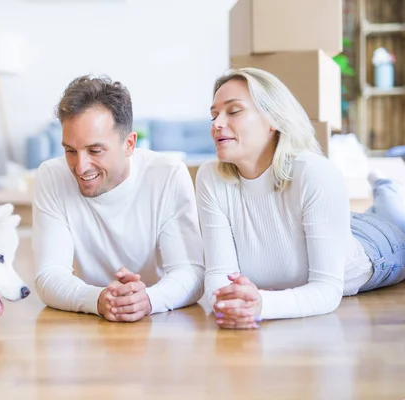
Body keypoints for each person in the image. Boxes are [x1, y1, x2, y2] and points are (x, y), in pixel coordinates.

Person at [195, 67, 405, 329]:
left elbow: (327, 291)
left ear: (273, 118)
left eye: (233, 111)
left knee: (395, 218)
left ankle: (387, 187)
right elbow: (218, 274)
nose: (217, 124)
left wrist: (261, 304)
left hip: (375, 246)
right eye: (214, 115)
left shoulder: (313, 172)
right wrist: (228, 300)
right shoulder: (210, 177)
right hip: (326, 227)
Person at [32, 75, 205, 322]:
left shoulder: (167, 174)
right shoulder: (52, 176)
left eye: (95, 151)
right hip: (89, 323)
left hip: (162, 322)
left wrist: (148, 299)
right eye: (70, 150)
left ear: (129, 144)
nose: (80, 167)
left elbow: (191, 272)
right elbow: (49, 274)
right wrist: (100, 299)